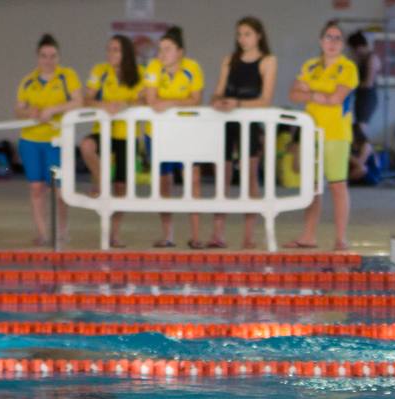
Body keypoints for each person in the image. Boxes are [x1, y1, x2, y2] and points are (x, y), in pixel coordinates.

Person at [287, 20, 358, 251]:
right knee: (312, 187)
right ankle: (308, 236)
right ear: (321, 41)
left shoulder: (348, 68)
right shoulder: (310, 66)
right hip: (312, 132)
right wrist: (321, 95)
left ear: (343, 43)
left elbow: (336, 99)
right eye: (329, 37)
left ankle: (341, 237)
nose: (332, 42)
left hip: (336, 133)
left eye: (337, 38)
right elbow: (293, 94)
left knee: (337, 185)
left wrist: (311, 92)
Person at [208, 17, 276, 249]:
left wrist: (237, 104)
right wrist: (217, 102)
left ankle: (249, 235)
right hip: (226, 123)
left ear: (258, 35)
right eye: (239, 34)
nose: (242, 39)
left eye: (247, 34)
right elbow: (217, 92)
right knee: (222, 179)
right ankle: (218, 233)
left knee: (250, 179)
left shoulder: (268, 61)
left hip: (250, 123)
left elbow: (265, 100)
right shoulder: (230, 60)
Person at [141, 27, 205, 248]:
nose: (162, 54)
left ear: (180, 52)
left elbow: (195, 99)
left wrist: (169, 102)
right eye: (160, 49)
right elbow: (151, 100)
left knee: (193, 181)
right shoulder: (153, 67)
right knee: (164, 184)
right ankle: (168, 235)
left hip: (186, 133)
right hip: (157, 134)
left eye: (167, 49)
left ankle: (196, 236)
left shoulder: (192, 68)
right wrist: (180, 100)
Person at [14, 34, 80, 248]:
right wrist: (29, 112)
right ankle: (42, 233)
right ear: (38, 58)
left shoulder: (67, 77)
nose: (48, 60)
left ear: (58, 57)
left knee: (59, 190)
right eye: (44, 56)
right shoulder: (28, 81)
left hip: (55, 140)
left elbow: (78, 101)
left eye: (52, 56)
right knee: (36, 188)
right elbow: (18, 109)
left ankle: (61, 230)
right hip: (31, 140)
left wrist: (53, 109)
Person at [79, 34, 145, 247]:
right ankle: (101, 180)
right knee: (86, 146)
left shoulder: (140, 73)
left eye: (115, 50)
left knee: (121, 188)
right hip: (104, 130)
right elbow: (86, 99)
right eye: (109, 49)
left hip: (126, 134)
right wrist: (105, 105)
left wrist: (124, 104)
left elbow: (142, 99)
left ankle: (113, 233)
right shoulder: (100, 71)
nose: (110, 54)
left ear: (125, 53)